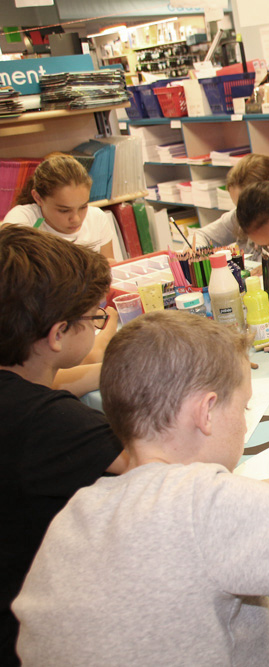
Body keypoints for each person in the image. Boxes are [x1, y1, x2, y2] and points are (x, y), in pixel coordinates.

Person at [13, 310, 269, 665]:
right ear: (207, 412)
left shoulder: (74, 514)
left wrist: (249, 506)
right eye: (245, 406)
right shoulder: (212, 508)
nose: (246, 421)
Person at [0, 226, 127, 666]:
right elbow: (156, 459)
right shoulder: (50, 424)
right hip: (31, 638)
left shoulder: (18, 382)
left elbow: (55, 379)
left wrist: (103, 368)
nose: (98, 322)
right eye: (93, 318)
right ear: (57, 335)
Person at [2, 154, 115, 259]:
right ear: (38, 198)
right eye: (64, 210)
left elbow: (109, 268)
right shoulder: (24, 218)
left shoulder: (97, 217)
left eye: (83, 207)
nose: (76, 219)